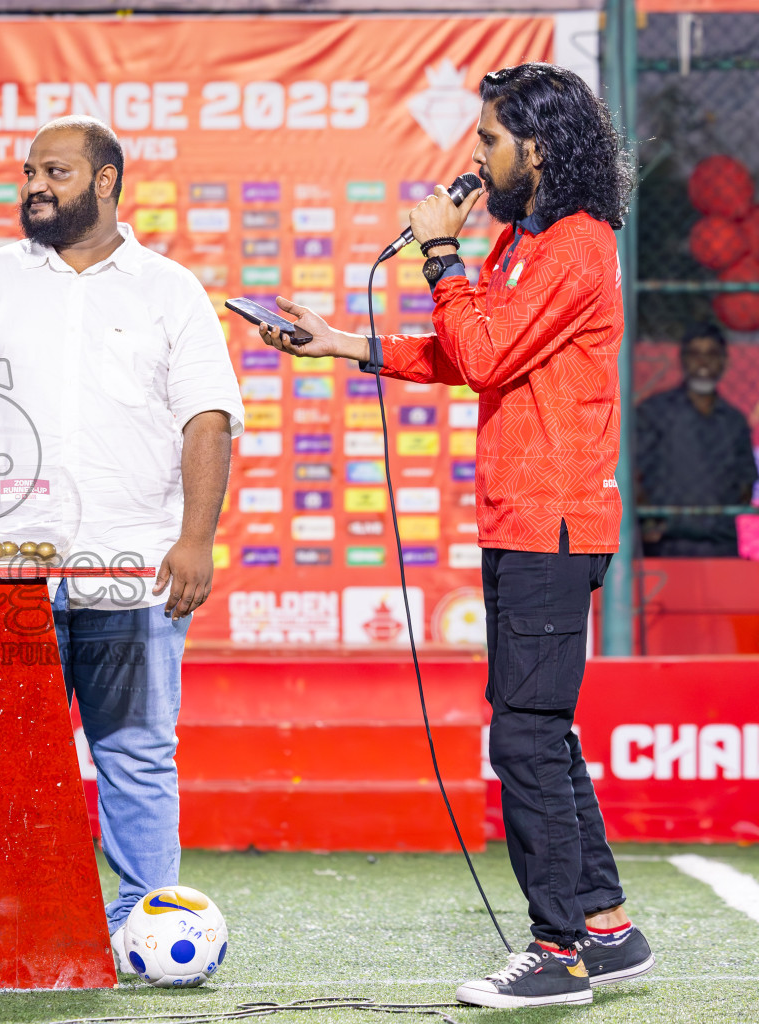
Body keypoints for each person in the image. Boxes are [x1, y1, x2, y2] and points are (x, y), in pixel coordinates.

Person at [257, 64, 653, 1008]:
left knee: (523, 736)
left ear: (538, 148)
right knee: (538, 733)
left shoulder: (576, 245)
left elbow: (482, 352)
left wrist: (440, 255)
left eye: (489, 141)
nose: (474, 158)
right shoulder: (525, 242)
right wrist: (348, 345)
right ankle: (606, 927)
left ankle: (557, 954)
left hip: (552, 521)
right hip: (523, 518)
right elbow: (472, 347)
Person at [0, 115, 245, 973]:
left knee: (135, 750)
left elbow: (208, 417)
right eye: (28, 173)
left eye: (54, 171)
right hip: (10, 572)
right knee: (0, 752)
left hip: (133, 569)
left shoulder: (169, 289)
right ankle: (1, 916)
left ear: (106, 182)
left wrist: (195, 537)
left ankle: (143, 922)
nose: (34, 187)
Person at [636, 324, 758, 557]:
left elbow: (746, 481)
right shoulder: (654, 412)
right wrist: (650, 521)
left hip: (721, 544)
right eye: (695, 354)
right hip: (667, 543)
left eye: (711, 354)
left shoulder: (734, 421)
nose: (703, 363)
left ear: (724, 361)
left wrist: (717, 511)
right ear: (683, 359)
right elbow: (633, 472)